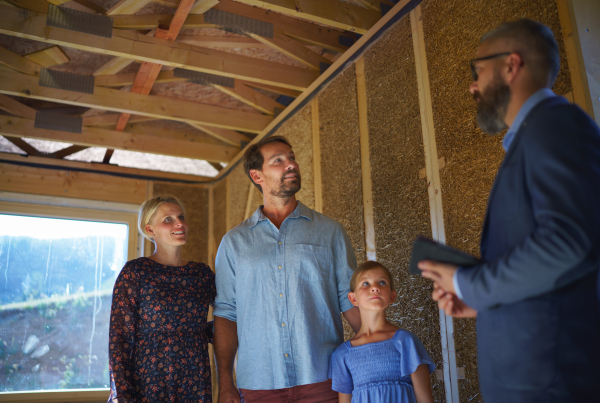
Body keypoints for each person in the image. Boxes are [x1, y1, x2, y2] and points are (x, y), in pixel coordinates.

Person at [419, 19, 600, 402]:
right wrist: (485, 304)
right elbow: (551, 274)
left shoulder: (557, 123)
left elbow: (567, 243)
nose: (472, 85)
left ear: (511, 65)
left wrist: (471, 284)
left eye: (477, 70)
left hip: (549, 385)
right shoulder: (533, 136)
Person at [213, 135, 362, 403]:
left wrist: (379, 348)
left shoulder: (329, 231)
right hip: (259, 382)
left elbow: (348, 297)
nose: (290, 164)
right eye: (278, 161)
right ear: (257, 176)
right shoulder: (234, 242)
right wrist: (225, 383)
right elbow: (226, 313)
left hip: (324, 376)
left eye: (291, 157)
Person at [107, 195, 216, 402]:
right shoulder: (135, 272)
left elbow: (228, 314)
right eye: (168, 219)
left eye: (181, 217)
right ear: (150, 230)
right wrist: (122, 396)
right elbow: (119, 340)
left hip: (195, 379)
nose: (180, 223)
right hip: (148, 381)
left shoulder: (201, 274)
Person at [330, 261, 435, 403]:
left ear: (392, 297)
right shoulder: (342, 354)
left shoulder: (406, 341)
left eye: (382, 282)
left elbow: (425, 400)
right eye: (366, 283)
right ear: (353, 298)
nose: (375, 287)